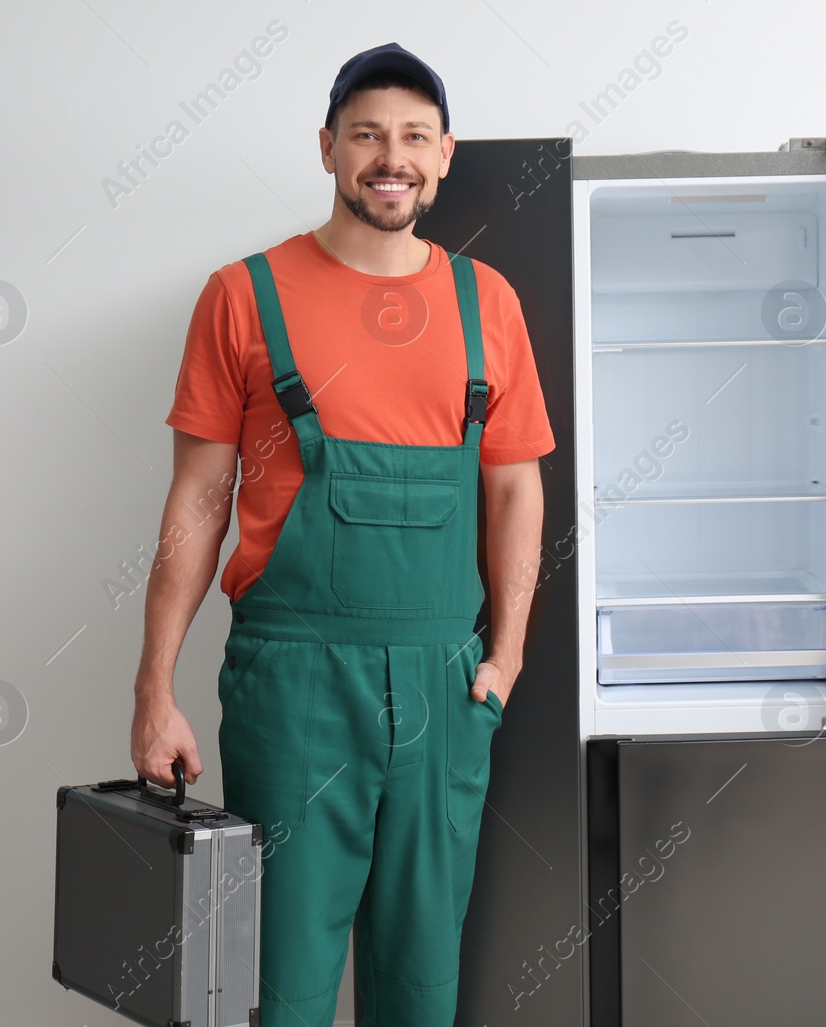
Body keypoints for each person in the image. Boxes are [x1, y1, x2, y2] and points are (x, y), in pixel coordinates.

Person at [129, 41, 554, 1026]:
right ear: (327, 148)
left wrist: (507, 657)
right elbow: (196, 497)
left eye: (412, 136)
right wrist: (154, 686)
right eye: (366, 135)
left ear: (445, 153)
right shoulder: (243, 296)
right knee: (281, 979)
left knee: (420, 985)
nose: (389, 156)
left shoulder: (486, 302)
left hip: (447, 685)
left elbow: (515, 493)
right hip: (296, 682)